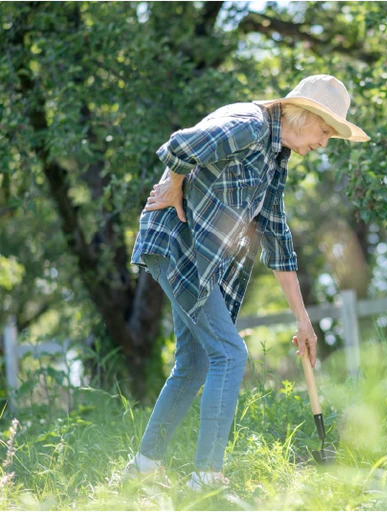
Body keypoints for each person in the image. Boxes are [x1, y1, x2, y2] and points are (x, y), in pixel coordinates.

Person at [126, 75, 369, 489]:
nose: (325, 142)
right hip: (177, 247)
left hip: (197, 261)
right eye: (326, 129)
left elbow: (276, 235)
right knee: (230, 354)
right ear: (304, 113)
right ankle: (205, 478)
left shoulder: (277, 160)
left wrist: (303, 321)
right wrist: (173, 183)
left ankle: (143, 471)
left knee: (196, 362)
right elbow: (183, 144)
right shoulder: (250, 124)